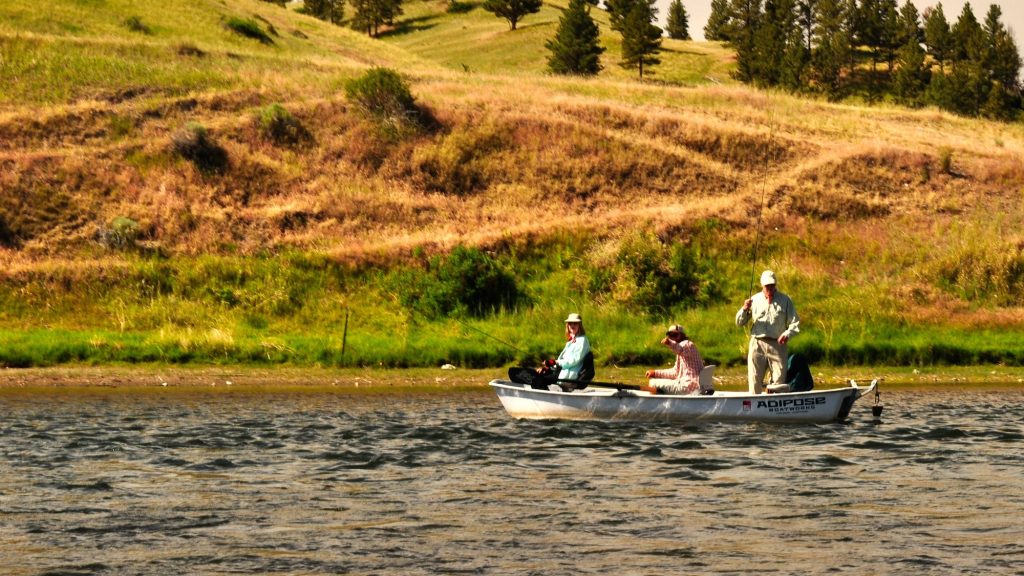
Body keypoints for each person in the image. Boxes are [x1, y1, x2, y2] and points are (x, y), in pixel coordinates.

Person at [735, 270, 800, 394]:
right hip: (757, 344)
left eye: (772, 285)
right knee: (754, 381)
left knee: (779, 383)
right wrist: (744, 309)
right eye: (767, 286)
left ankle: (774, 410)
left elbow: (795, 323)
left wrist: (787, 334)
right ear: (762, 285)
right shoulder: (754, 300)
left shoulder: (785, 300)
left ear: (775, 284)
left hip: (778, 345)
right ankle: (755, 409)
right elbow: (739, 323)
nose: (770, 288)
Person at [644, 324, 705, 395]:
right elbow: (675, 373)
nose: (673, 338)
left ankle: (652, 403)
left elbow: (679, 348)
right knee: (655, 380)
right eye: (670, 336)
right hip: (690, 387)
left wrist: (669, 343)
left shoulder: (688, 345)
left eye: (675, 335)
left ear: (682, 336)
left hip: (688, 386)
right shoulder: (681, 353)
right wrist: (655, 373)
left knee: (653, 382)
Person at [538, 313, 592, 386]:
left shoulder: (582, 341)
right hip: (563, 371)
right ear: (568, 325)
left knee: (538, 381)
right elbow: (564, 360)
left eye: (575, 323)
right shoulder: (572, 340)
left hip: (569, 375)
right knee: (539, 374)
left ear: (580, 325)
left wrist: (556, 362)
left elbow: (573, 361)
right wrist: (550, 367)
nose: (572, 326)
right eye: (570, 323)